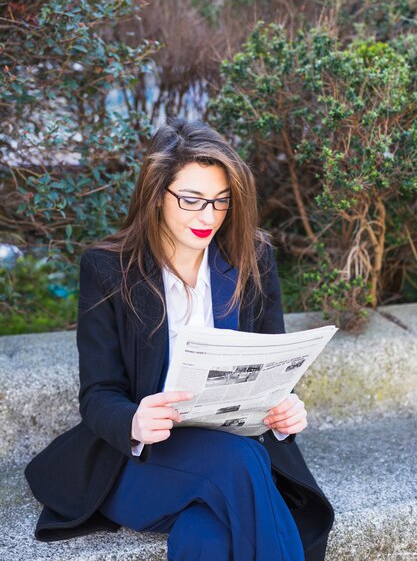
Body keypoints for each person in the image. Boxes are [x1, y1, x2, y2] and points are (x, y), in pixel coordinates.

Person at [25, 118, 334, 561]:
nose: (207, 217)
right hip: (142, 465)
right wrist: (132, 420)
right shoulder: (108, 269)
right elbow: (98, 393)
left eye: (220, 202)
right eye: (191, 200)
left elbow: (272, 362)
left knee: (208, 535)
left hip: (232, 454)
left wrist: (285, 406)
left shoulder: (253, 258)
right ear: (157, 195)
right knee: (240, 463)